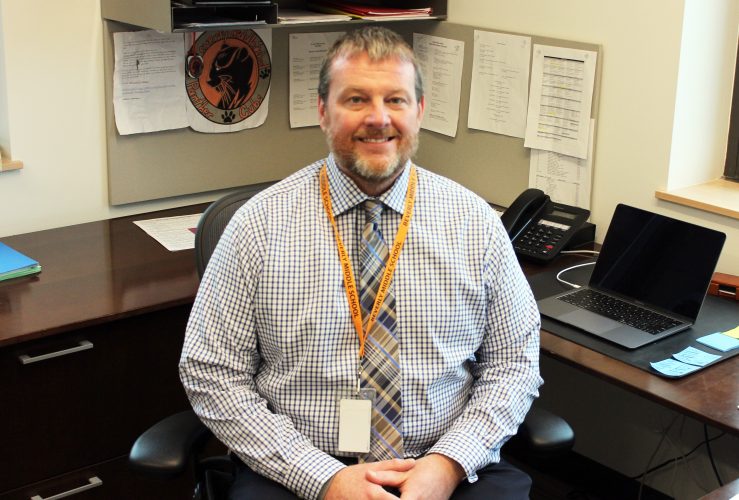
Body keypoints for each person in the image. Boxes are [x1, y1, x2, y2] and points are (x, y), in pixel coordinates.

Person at [180, 26, 542, 500]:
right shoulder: (259, 226)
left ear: (419, 111)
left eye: (396, 100)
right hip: (299, 469)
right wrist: (323, 478)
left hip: (442, 464)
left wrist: (449, 464)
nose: (378, 118)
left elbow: (514, 363)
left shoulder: (474, 223)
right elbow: (211, 372)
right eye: (356, 100)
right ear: (323, 112)